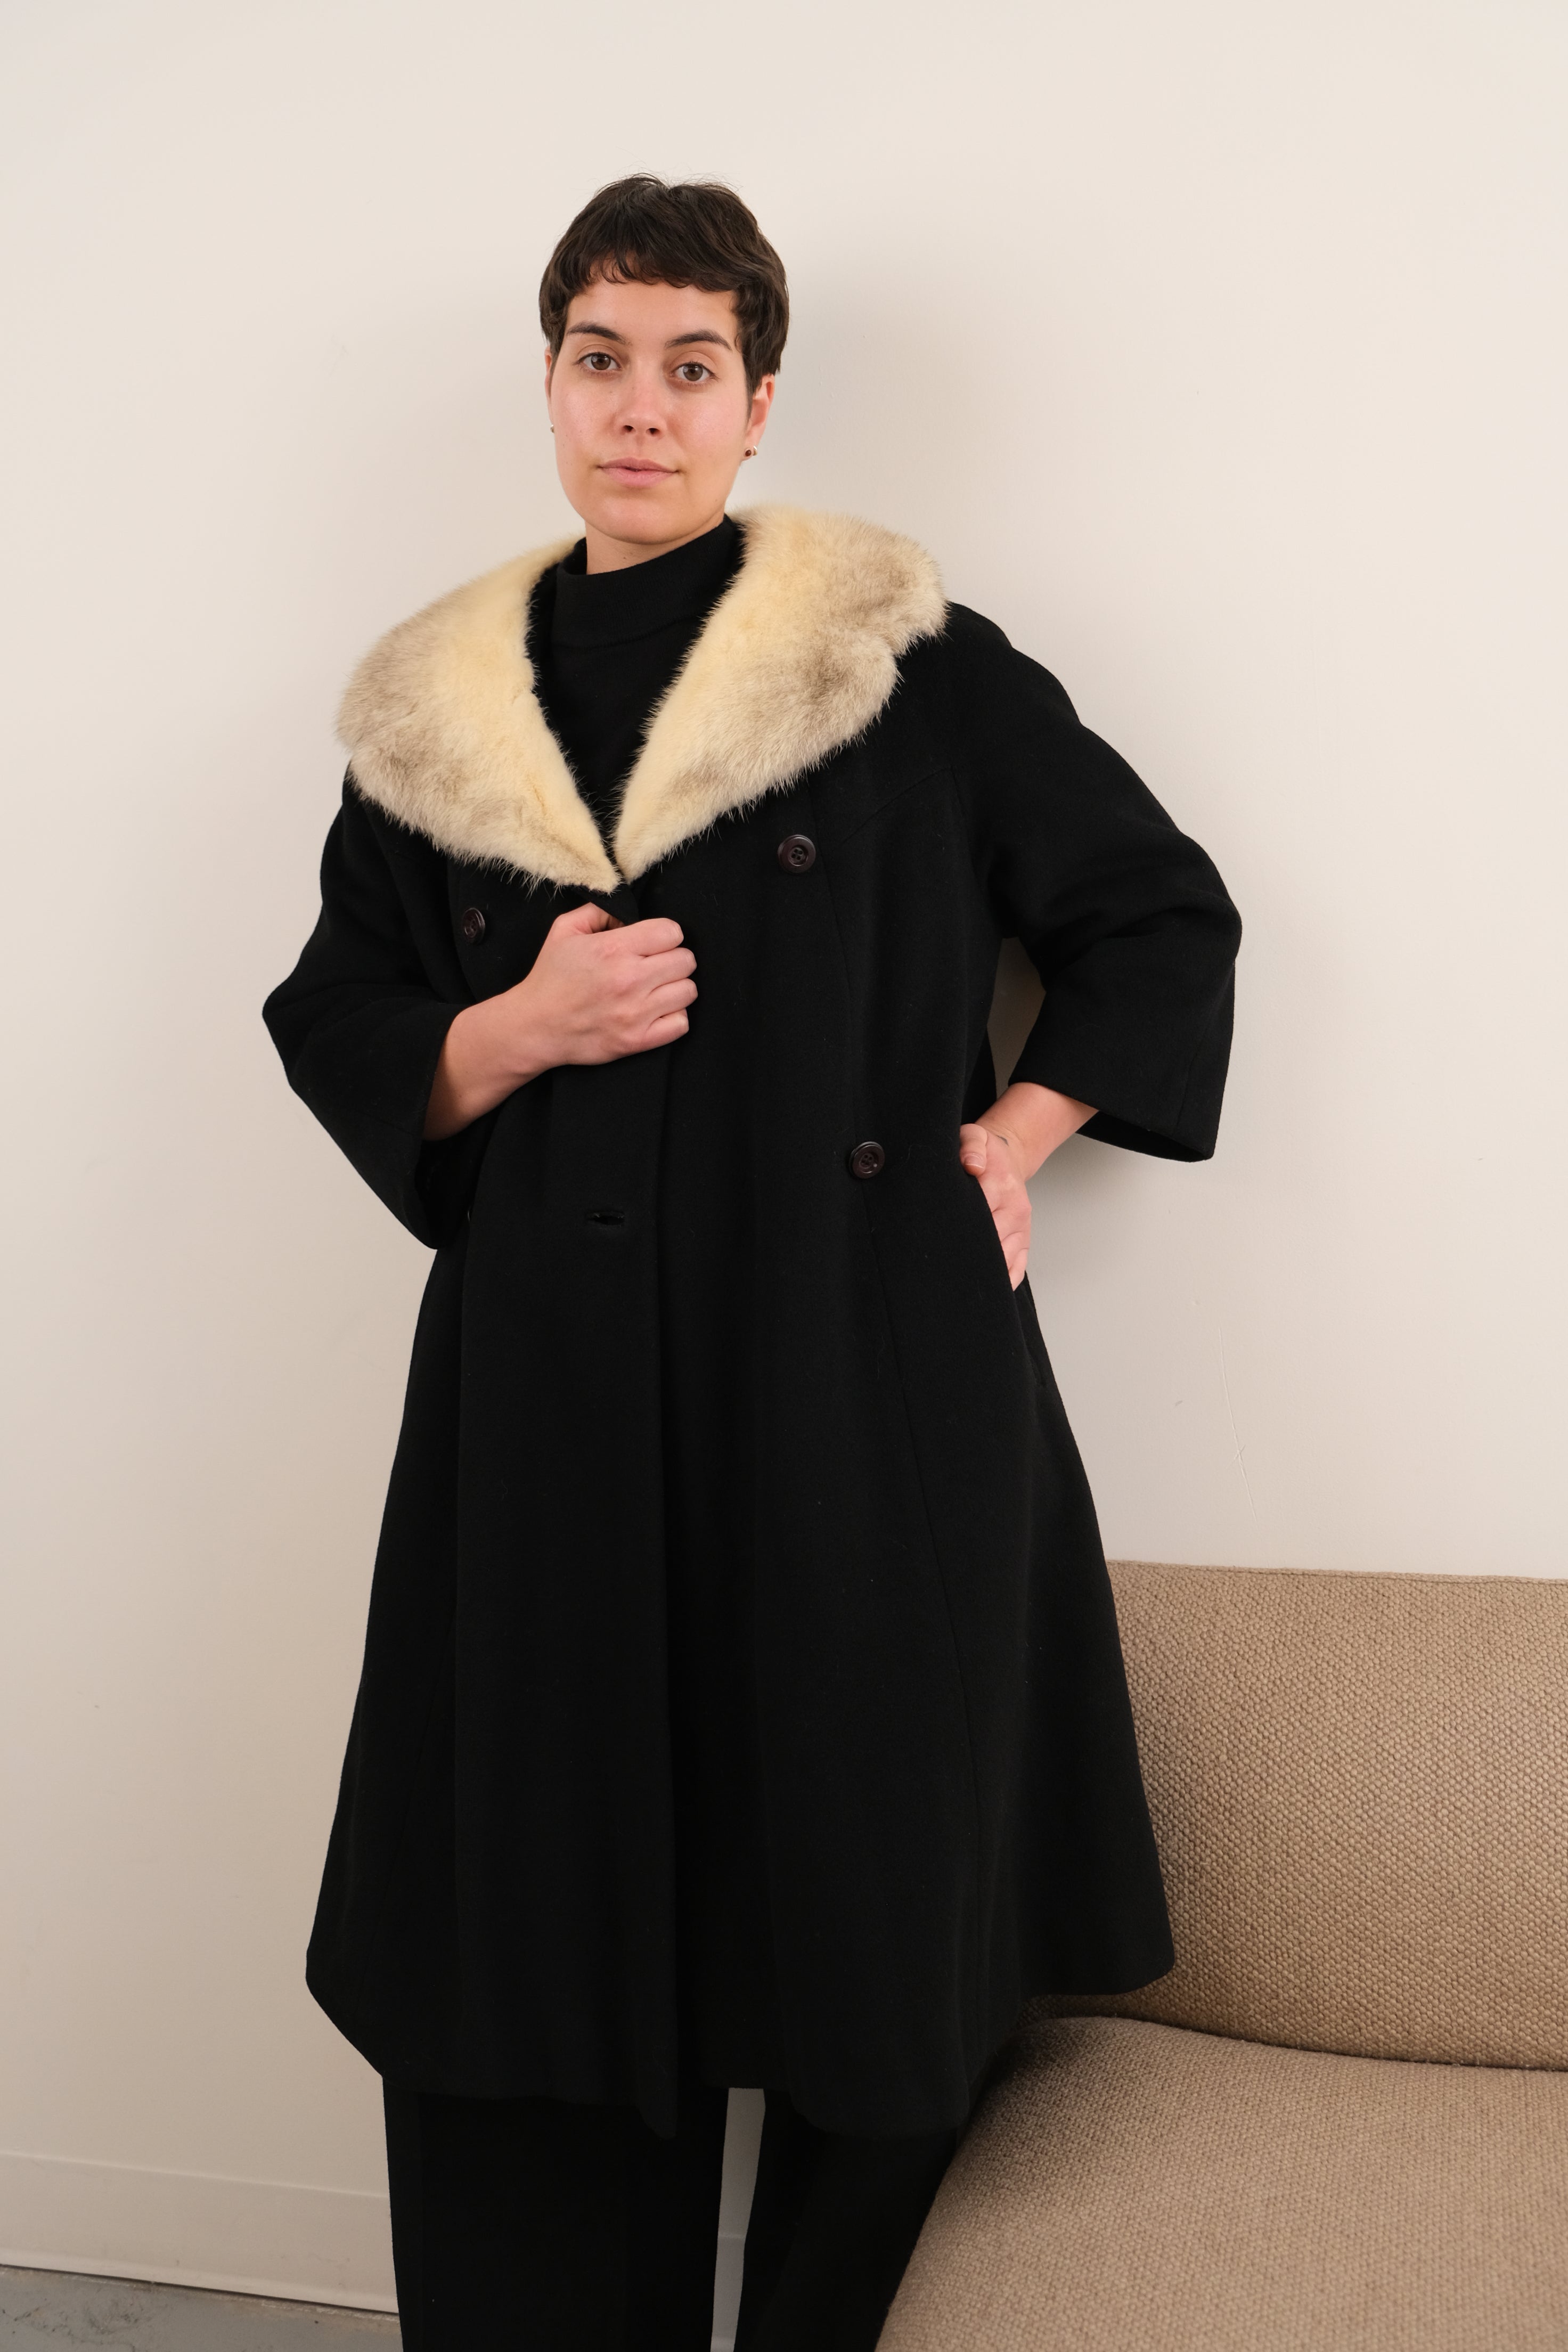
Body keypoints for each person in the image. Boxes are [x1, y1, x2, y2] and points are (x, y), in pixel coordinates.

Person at [263, 174, 1242, 2350]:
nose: (643, 407)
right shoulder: (440, 711)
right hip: (546, 1405)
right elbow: (337, 1011)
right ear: (548, 386)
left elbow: (1156, 917)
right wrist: (518, 1026)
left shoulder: (904, 660)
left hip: (855, 1380)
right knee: (529, 1912)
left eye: (691, 366)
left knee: (876, 1909)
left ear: (758, 402)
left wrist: (1011, 1135)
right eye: (600, 359)